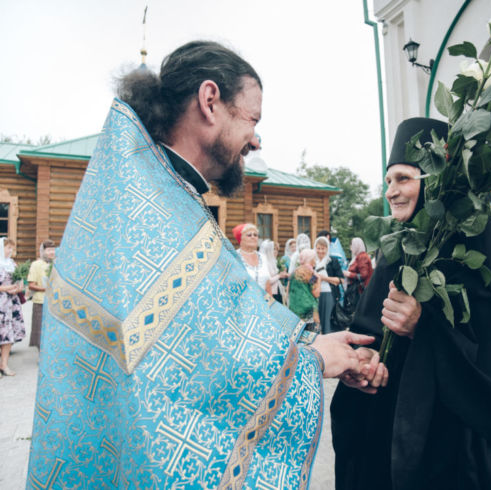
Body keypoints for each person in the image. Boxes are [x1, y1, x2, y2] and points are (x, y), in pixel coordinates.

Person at [27, 41, 379, 489]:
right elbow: (184, 365)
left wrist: (310, 341)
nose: (256, 139)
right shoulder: (147, 207)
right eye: (252, 119)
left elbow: (212, 326)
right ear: (210, 101)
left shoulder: (158, 192)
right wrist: (307, 361)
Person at [331, 117, 491, 489]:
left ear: (436, 184)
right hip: (388, 428)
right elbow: (369, 330)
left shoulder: (470, 249)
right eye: (388, 181)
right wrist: (363, 362)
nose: (391, 191)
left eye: (403, 179)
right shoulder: (398, 244)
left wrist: (423, 326)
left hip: (451, 448)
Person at [0, 238, 25, 377]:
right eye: (8, 248)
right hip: (0, 302)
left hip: (10, 304)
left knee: (8, 335)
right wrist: (7, 288)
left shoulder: (12, 264)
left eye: (11, 248)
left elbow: (20, 281)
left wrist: (18, 288)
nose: (10, 251)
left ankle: (4, 364)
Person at [27, 239, 56, 349]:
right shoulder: (36, 264)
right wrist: (45, 288)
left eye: (53, 250)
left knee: (53, 330)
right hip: (41, 301)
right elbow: (31, 285)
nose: (51, 252)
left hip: (55, 302)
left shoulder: (57, 264)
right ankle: (41, 355)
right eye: (49, 250)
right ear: (43, 251)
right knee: (40, 330)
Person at [314, 236, 344, 334]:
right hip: (315, 295)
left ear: (327, 248)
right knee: (317, 322)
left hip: (329, 294)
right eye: (318, 248)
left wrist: (323, 278)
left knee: (327, 322)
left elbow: (340, 280)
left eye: (323, 248)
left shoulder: (332, 261)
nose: (320, 251)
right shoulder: (313, 262)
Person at [288, 248, 321, 332]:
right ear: (311, 259)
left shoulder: (294, 272)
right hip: (308, 313)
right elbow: (316, 293)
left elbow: (288, 289)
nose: (315, 261)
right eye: (314, 258)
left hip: (294, 311)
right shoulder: (311, 274)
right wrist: (319, 280)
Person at [259, 239, 287, 303]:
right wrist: (279, 275)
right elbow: (268, 280)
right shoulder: (265, 263)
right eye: (274, 249)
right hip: (270, 293)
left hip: (276, 290)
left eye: (277, 249)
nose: (276, 251)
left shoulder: (274, 261)